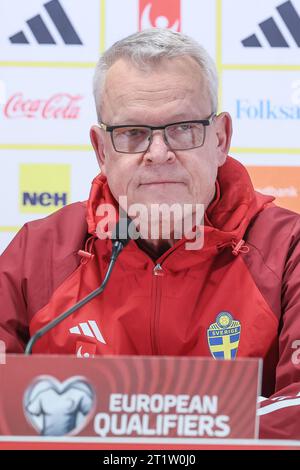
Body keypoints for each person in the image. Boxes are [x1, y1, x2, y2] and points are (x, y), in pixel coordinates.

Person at [0, 29, 300, 440]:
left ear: (221, 138)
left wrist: (132, 419)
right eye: (133, 133)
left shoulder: (287, 250)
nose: (159, 153)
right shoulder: (38, 251)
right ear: (101, 150)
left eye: (183, 128)